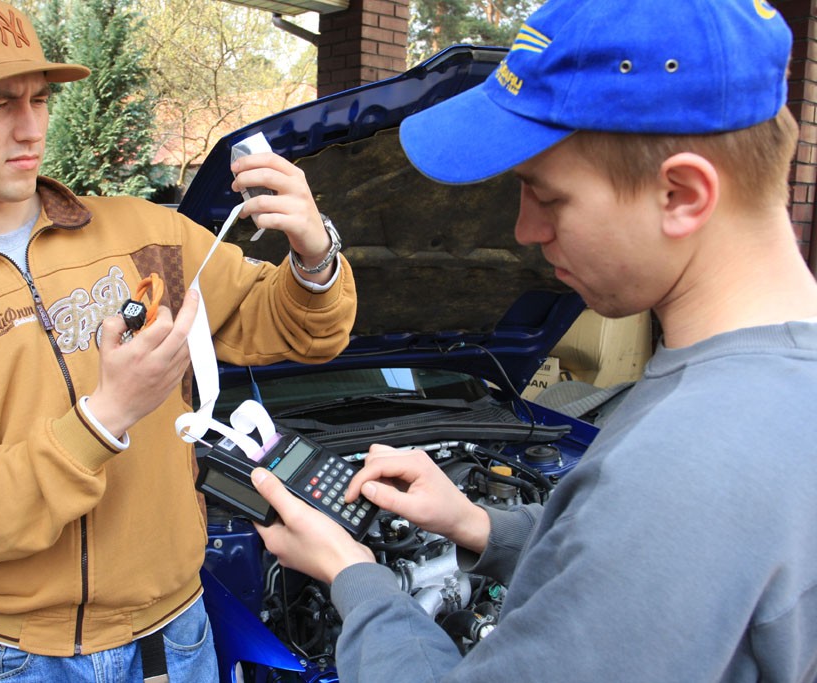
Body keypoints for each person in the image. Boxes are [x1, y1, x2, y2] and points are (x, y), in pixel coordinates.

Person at [250, 0, 817, 681]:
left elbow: (651, 530)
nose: (523, 231)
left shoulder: (683, 468)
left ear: (682, 195)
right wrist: (479, 525)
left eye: (545, 195)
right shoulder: (772, 394)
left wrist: (356, 577)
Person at [0, 0, 356, 680]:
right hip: (21, 656)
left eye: (39, 99)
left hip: (176, 636)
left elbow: (295, 328)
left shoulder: (145, 235)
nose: (29, 128)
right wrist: (105, 417)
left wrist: (314, 254)